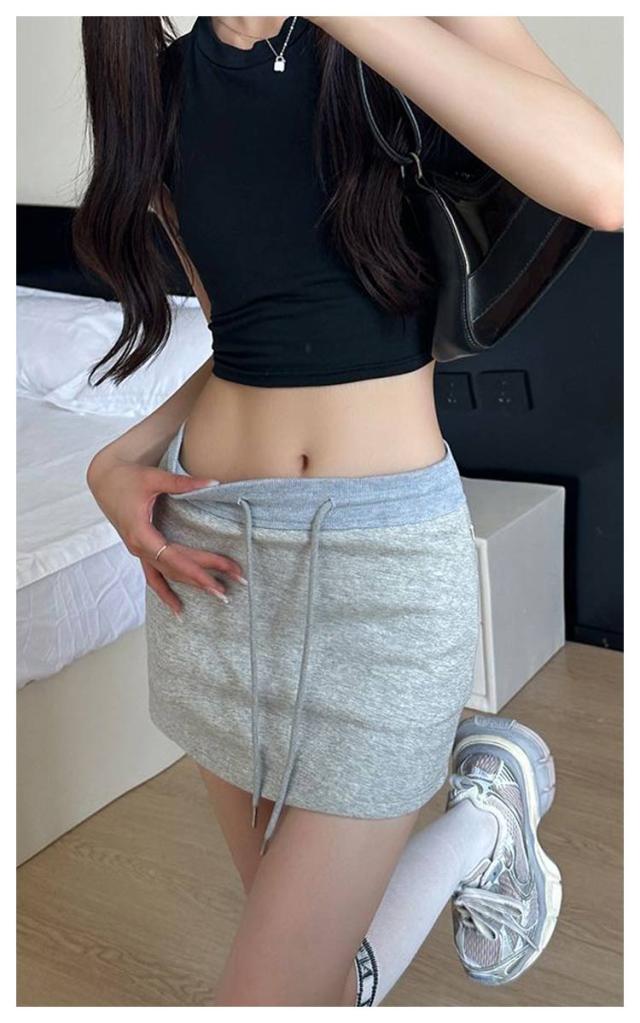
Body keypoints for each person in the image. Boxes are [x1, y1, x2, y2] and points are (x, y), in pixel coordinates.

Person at [76, 16, 623, 1007]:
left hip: (383, 566)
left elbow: (603, 182)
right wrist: (120, 455)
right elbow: (251, 331)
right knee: (315, 986)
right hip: (216, 563)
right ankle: (481, 825)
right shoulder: (157, 83)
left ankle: (481, 823)